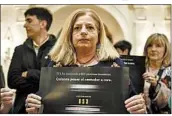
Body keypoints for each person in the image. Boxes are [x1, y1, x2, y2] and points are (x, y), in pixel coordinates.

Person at [25, 8, 146, 114]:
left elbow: (132, 103)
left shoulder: (114, 64)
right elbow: (43, 103)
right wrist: (35, 107)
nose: (83, 31)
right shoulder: (57, 64)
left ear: (99, 34)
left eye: (90, 27)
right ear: (69, 35)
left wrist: (140, 109)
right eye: (77, 28)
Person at [7, 7, 57, 113]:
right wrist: (42, 80)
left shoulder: (58, 49)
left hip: (50, 108)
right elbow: (12, 80)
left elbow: (57, 80)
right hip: (21, 109)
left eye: (29, 21)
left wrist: (29, 73)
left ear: (43, 24)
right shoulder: (19, 50)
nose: (25, 25)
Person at [142, 33, 171, 113]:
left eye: (158, 46)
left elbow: (169, 102)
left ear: (166, 49)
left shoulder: (169, 72)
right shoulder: (139, 68)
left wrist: (156, 85)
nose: (153, 49)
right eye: (150, 45)